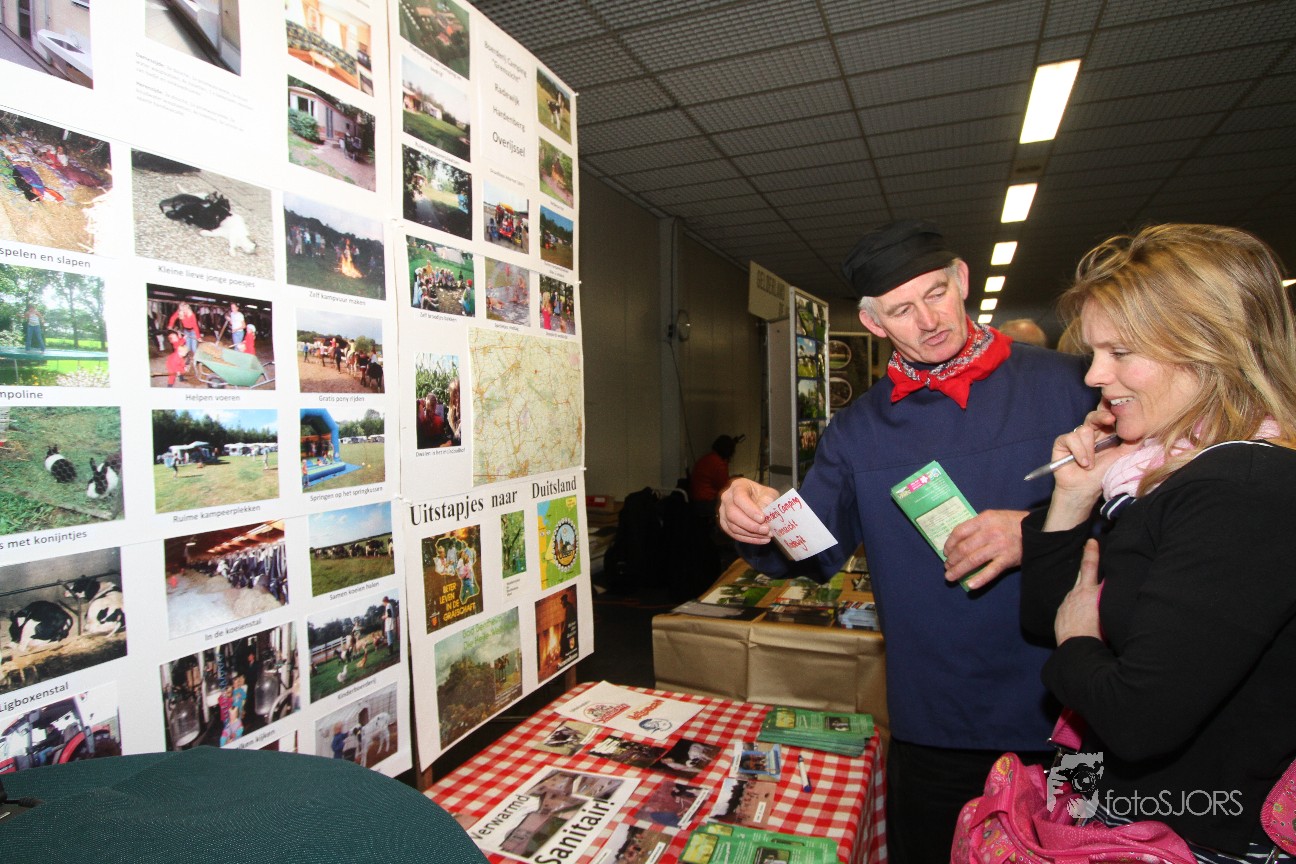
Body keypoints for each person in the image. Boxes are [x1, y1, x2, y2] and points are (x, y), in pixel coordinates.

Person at [717, 219, 1094, 864]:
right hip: (937, 720)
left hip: (1071, 707)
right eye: (901, 310)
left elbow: (1150, 524)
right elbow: (814, 553)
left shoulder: (1072, 384)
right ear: (873, 323)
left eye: (936, 293)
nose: (929, 320)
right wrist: (754, 517)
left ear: (962, 279)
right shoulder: (857, 430)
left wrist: (1036, 531)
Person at [1019, 224, 1296, 860]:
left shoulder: (1243, 490)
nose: (1095, 375)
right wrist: (1073, 496)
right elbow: (1044, 620)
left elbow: (1136, 720)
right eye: (1095, 352)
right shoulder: (1160, 474)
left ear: (1208, 347)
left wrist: (1080, 642)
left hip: (1196, 835)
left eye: (1119, 352)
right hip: (1125, 813)